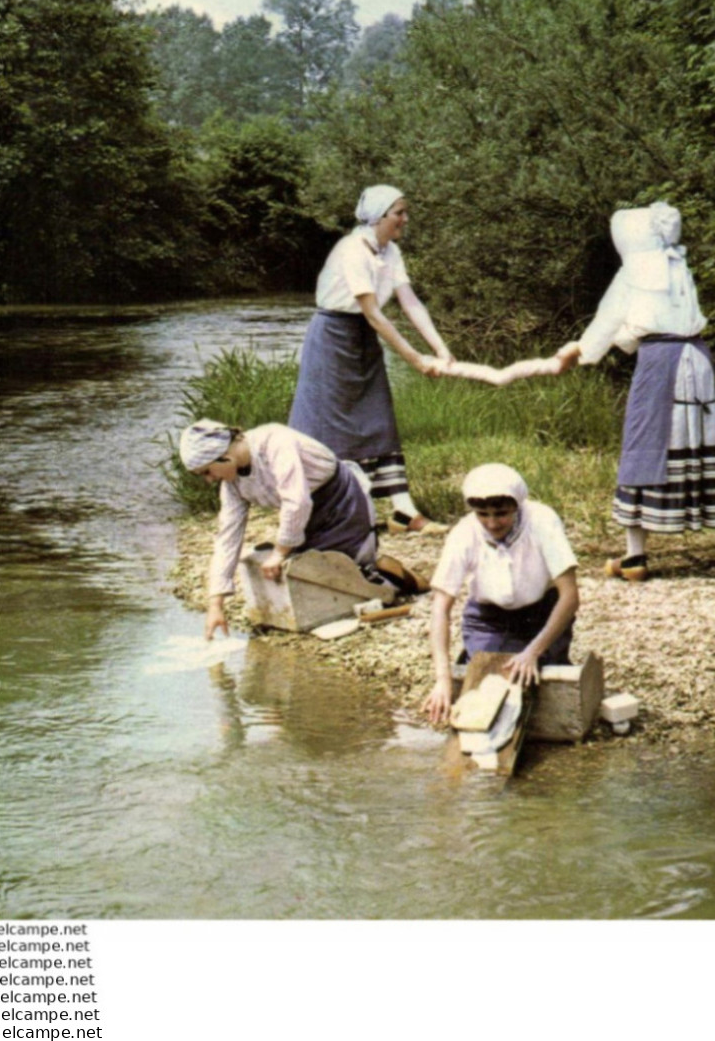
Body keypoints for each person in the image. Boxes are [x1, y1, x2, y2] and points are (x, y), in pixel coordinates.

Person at [553, 202, 715, 582]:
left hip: (660, 361)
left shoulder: (634, 270)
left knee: (644, 444)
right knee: (709, 445)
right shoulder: (678, 266)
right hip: (698, 358)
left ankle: (635, 558)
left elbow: (610, 322)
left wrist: (578, 352)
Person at [289, 185, 453, 533]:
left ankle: (403, 511)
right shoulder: (352, 251)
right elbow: (374, 313)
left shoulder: (389, 251)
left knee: (377, 416)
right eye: (400, 213)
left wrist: (440, 349)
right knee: (325, 426)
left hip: (362, 338)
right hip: (333, 338)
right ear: (379, 217)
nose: (405, 219)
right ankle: (321, 507)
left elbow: (409, 302)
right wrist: (415, 360)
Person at [180, 419, 415, 640]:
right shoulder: (232, 484)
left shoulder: (275, 442)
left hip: (339, 501)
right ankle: (373, 570)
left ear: (223, 457)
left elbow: (297, 501)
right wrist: (216, 605)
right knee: (306, 573)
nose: (209, 480)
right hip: (305, 516)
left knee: (342, 568)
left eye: (207, 472)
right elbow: (227, 537)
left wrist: (280, 552)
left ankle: (395, 578)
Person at [422, 464, 579, 726]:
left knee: (535, 679)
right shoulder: (464, 532)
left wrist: (533, 652)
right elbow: (440, 607)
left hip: (542, 613)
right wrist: (443, 680)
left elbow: (570, 596)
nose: (492, 523)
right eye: (483, 514)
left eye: (501, 514)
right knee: (492, 686)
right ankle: (474, 657)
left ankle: (549, 653)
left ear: (517, 506)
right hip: (489, 618)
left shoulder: (542, 521)